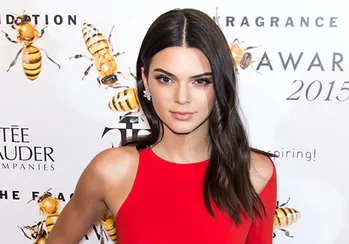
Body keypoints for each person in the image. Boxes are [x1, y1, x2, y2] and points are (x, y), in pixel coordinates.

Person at [46, 8, 277, 244]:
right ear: (145, 79)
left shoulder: (255, 172)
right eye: (166, 79)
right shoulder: (112, 171)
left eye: (200, 81)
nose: (182, 97)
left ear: (219, 83)